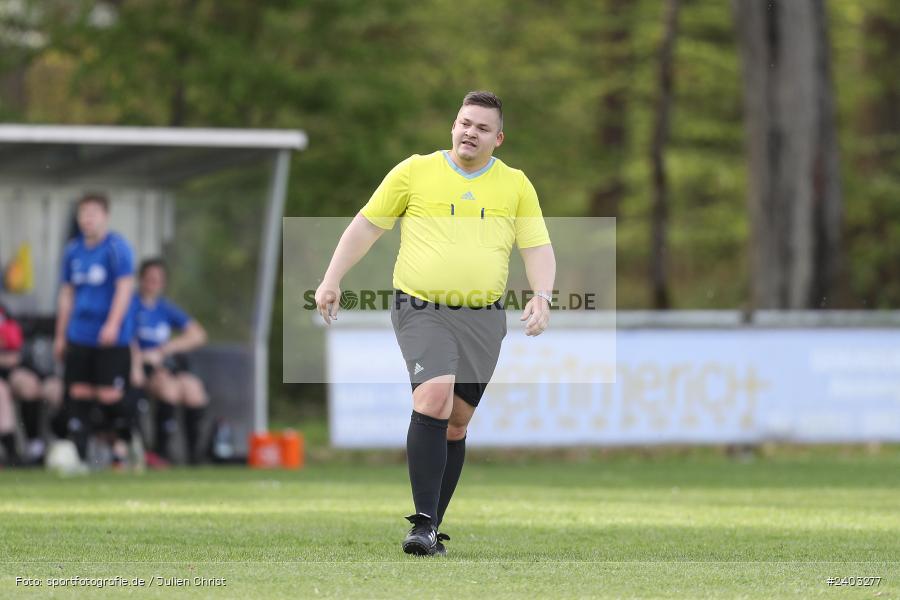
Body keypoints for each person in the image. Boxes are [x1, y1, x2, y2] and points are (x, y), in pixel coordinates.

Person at [314, 91, 556, 556]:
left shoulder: (516, 185)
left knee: (457, 423)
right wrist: (331, 278)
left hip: (484, 317)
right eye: (465, 123)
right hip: (421, 307)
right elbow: (366, 224)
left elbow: (537, 247)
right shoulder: (414, 171)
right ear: (453, 126)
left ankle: (433, 527)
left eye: (483, 128)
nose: (471, 132)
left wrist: (542, 295)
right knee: (435, 395)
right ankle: (422, 523)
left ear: (498, 139)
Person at [54, 193, 136, 465]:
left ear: (105, 216)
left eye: (92, 213)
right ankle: (80, 455)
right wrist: (60, 334)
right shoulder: (73, 251)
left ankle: (124, 444)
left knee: (109, 395)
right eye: (83, 214)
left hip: (110, 338)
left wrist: (112, 324)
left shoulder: (116, 247)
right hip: (79, 334)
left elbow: (125, 287)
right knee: (78, 392)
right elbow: (66, 294)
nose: (87, 219)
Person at [131, 257, 208, 466]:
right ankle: (160, 453)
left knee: (194, 390)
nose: (154, 284)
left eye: (159, 280)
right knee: (169, 389)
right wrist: (140, 360)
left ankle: (195, 457)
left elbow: (198, 335)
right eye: (150, 279)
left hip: (166, 363)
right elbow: (127, 338)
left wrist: (166, 348)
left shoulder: (165, 308)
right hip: (142, 367)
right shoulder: (132, 305)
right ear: (142, 280)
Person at [0, 302, 25, 465]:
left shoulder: (4, 313)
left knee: (29, 385)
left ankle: (38, 448)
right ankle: (10, 449)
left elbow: (15, 352)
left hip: (8, 369)